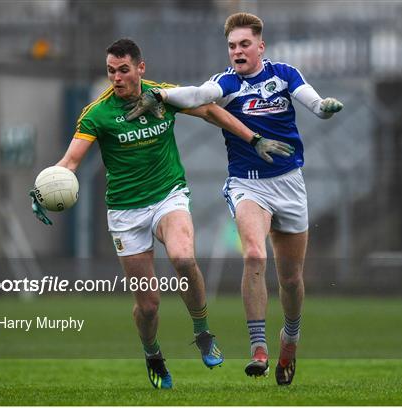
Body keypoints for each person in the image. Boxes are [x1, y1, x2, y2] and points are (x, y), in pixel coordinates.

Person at [29, 38, 294, 390]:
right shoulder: (98, 113)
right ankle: (153, 353)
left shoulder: (163, 97)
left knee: (184, 257)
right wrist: (43, 189)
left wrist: (253, 138)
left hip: (168, 195)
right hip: (125, 212)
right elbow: (70, 162)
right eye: (111, 71)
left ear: (141, 68)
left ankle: (202, 332)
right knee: (149, 305)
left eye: (124, 70)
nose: (117, 78)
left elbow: (210, 110)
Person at [125, 13, 343, 386]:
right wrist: (160, 94)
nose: (237, 51)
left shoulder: (285, 74)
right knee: (255, 254)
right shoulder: (225, 82)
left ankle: (289, 339)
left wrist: (325, 107)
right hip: (247, 185)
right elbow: (197, 95)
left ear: (261, 46)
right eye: (232, 46)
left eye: (244, 45)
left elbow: (314, 103)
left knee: (290, 280)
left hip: (289, 183)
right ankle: (258, 349)